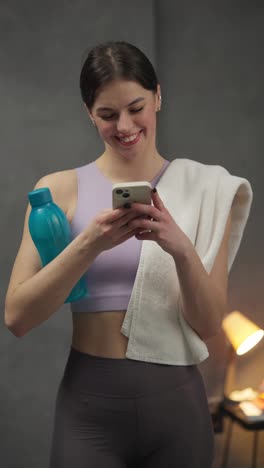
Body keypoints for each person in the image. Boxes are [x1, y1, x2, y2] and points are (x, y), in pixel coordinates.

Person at [4, 41, 252, 468]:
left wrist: (179, 247)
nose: (124, 126)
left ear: (158, 95)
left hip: (177, 406)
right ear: (88, 112)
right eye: (107, 114)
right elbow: (17, 317)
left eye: (136, 107)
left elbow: (210, 323)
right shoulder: (58, 192)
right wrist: (89, 244)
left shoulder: (205, 189)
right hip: (89, 405)